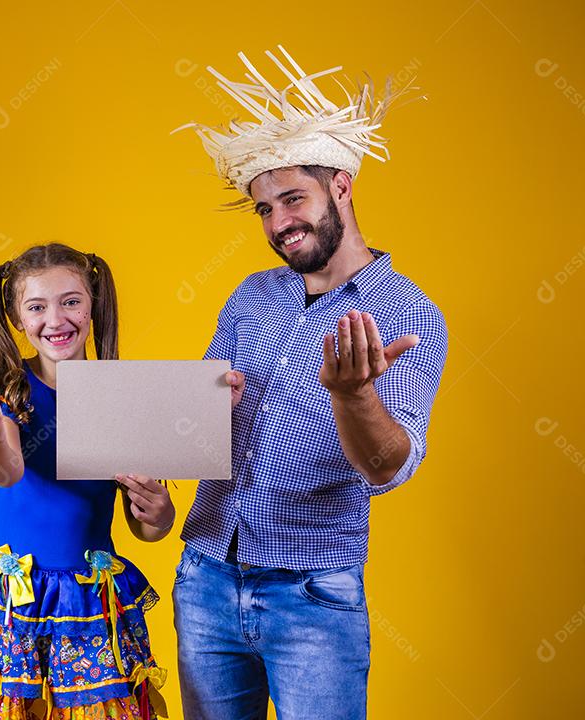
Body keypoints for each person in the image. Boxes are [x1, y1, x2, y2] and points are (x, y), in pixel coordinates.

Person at [171, 47, 450, 719]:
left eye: (293, 199)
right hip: (205, 580)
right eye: (264, 209)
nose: (279, 225)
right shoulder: (251, 295)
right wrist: (142, 456)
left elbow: (389, 467)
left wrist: (354, 397)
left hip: (312, 598)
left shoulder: (409, 315)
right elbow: (200, 423)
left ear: (342, 187)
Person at [0, 243, 174, 719]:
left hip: (89, 597)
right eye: (37, 307)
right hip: (13, 595)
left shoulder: (122, 396)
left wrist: (160, 513)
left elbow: (146, 527)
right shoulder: (3, 386)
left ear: (92, 306)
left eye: (71, 302)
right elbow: (7, 471)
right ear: (16, 318)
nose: (56, 320)